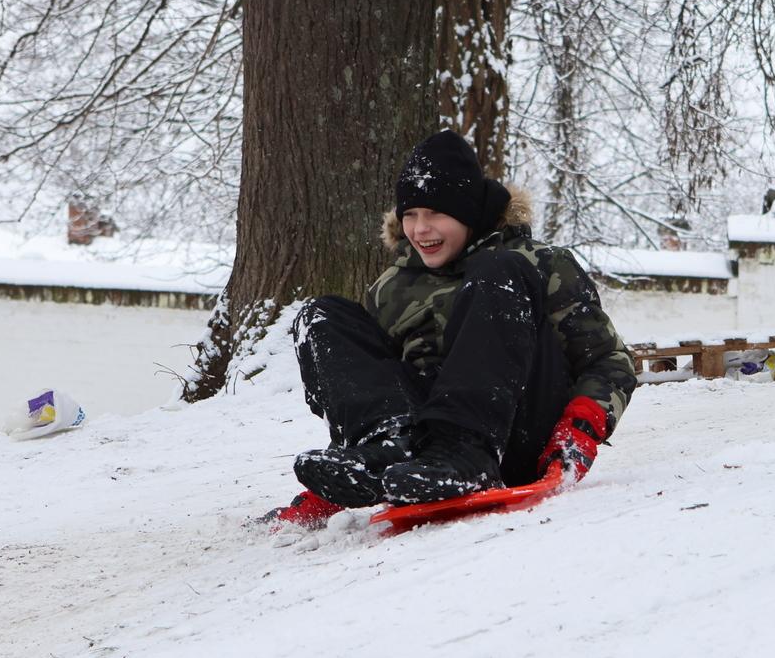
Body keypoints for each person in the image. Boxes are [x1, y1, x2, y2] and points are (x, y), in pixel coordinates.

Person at [268, 130, 637, 524]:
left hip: (517, 431)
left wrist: (579, 430)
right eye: (410, 215)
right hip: (425, 461)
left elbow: (609, 360)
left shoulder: (537, 264)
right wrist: (336, 487)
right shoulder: (393, 287)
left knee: (497, 271)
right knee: (321, 314)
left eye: (435, 214)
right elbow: (377, 383)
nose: (420, 229)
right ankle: (389, 447)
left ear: (469, 213)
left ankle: (465, 454)